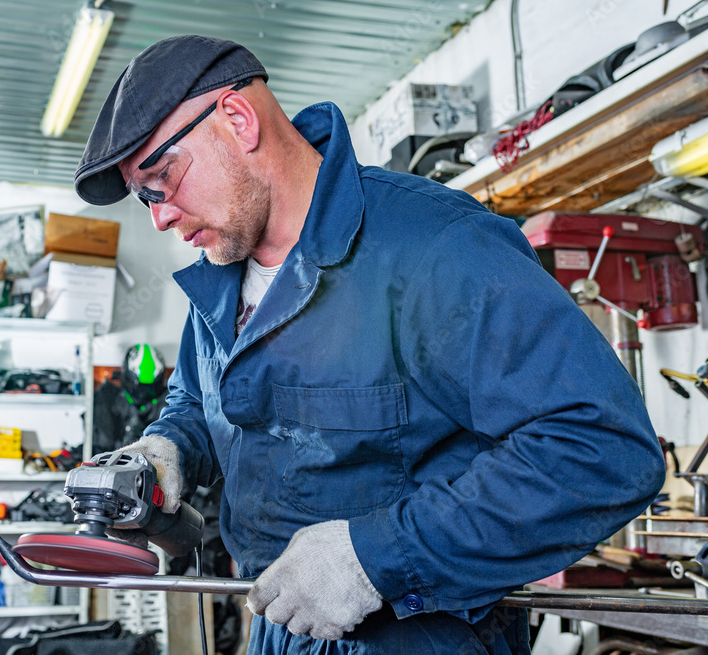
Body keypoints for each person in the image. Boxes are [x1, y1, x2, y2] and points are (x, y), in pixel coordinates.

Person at [74, 35, 664, 654]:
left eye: (161, 181)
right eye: (145, 199)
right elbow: (205, 403)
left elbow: (602, 448)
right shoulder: (221, 272)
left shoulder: (434, 249)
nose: (159, 218)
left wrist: (374, 558)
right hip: (278, 624)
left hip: (420, 633)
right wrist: (165, 448)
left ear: (238, 120)